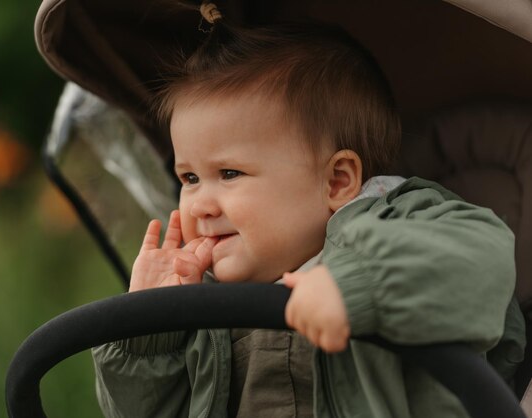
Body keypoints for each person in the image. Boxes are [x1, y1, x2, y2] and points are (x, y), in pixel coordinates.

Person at [92, 3, 525, 417]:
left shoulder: (400, 226)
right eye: (189, 179)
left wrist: (358, 285)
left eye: (228, 173)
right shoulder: (205, 310)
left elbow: (479, 261)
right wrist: (147, 335)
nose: (200, 205)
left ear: (336, 181)